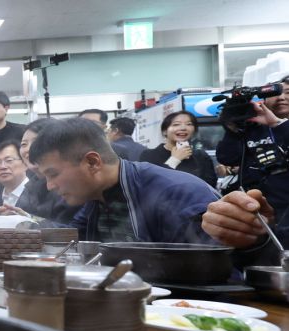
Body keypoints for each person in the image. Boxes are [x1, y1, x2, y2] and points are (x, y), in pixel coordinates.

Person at [29, 118, 220, 243]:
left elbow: (212, 272)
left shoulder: (177, 194)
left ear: (92, 162)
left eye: (53, 174)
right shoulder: (98, 195)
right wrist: (25, 225)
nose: (49, 186)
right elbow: (74, 233)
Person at [216, 75, 289, 229]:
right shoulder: (252, 126)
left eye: (287, 92)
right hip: (256, 208)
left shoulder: (281, 127)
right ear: (264, 97)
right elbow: (227, 158)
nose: (281, 97)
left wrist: (278, 125)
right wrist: (232, 130)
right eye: (276, 93)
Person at [139, 111, 218, 188]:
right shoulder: (149, 155)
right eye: (176, 124)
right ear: (164, 131)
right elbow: (150, 184)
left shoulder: (201, 156)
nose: (183, 128)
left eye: (189, 124)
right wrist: (174, 160)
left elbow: (210, 186)